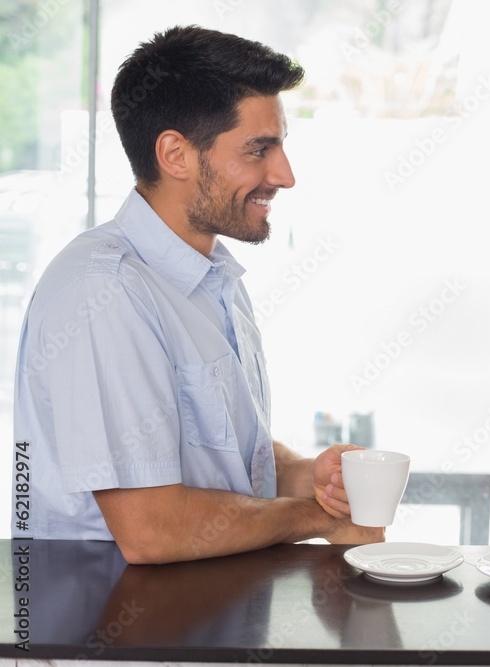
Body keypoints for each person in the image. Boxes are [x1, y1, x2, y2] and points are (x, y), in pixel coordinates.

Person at [12, 25, 382, 564]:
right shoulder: (105, 292)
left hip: (207, 625)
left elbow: (215, 450)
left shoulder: (212, 278)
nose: (285, 174)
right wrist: (320, 517)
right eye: (260, 149)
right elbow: (152, 531)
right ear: (175, 155)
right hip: (115, 636)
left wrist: (308, 477)